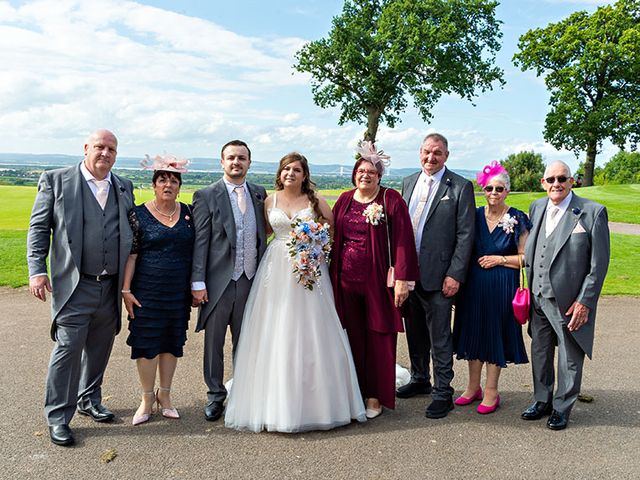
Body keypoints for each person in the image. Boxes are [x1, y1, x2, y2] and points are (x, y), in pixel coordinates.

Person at [225, 152, 366, 432]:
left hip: (309, 270)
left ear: (304, 175)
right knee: (275, 328)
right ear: (280, 173)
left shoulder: (316, 201)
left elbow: (332, 230)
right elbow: (264, 231)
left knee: (312, 329)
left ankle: (319, 402)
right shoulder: (269, 201)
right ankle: (273, 402)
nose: (291, 173)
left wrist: (314, 246)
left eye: (297, 170)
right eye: (286, 169)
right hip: (275, 269)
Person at [27, 129, 135, 446]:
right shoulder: (56, 180)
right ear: (86, 148)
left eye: (112, 149)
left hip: (110, 286)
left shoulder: (123, 186)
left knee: (101, 347)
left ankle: (89, 400)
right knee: (68, 350)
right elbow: (38, 229)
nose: (105, 153)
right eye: (99, 147)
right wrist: (36, 270)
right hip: (75, 285)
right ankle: (59, 417)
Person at [330, 142, 418, 418]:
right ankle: (354, 391)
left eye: (371, 171)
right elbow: (332, 236)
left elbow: (404, 240)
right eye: (360, 170)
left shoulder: (390, 200)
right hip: (345, 282)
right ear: (354, 174)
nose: (365, 175)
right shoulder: (344, 199)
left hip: (379, 283)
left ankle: (375, 396)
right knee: (352, 337)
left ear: (379, 176)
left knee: (379, 337)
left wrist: (403, 279)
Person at [521, 160, 610, 430]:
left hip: (569, 301)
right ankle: (542, 400)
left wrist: (584, 301)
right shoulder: (536, 207)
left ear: (572, 181)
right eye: (551, 180)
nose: (556, 184)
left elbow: (598, 264)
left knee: (570, 355)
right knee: (540, 350)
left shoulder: (591, 212)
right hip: (538, 296)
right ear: (543, 183)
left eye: (562, 179)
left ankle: (562, 407)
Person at [399, 132, 475, 419]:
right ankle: (420, 379)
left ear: (446, 155)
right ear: (420, 153)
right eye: (427, 152)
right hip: (410, 276)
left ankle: (443, 392)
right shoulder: (408, 182)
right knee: (415, 333)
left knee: (440, 337)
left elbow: (466, 235)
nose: (431, 157)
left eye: (438, 153)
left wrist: (455, 273)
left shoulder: (459, 186)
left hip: (441, 276)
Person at [191, 140, 268, 422]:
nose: (237, 162)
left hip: (250, 279)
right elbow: (200, 241)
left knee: (245, 340)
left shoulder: (259, 194)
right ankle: (215, 395)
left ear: (250, 162)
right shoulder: (206, 195)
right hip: (217, 282)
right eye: (231, 158)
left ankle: (242, 391)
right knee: (214, 343)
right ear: (222, 162)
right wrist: (197, 281)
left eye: (242, 158)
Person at [452, 162, 530, 414]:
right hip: (474, 286)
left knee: (493, 334)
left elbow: (524, 258)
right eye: (489, 188)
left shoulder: (517, 218)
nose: (494, 193)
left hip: (502, 285)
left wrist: (500, 260)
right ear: (482, 190)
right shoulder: (473, 215)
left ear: (507, 191)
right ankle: (472, 387)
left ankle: (491, 391)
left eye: (499, 188)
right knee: (474, 333)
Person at [121, 155, 194, 425]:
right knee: (146, 344)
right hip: (146, 290)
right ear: (154, 184)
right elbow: (132, 254)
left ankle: (166, 395)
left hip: (177, 291)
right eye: (163, 179)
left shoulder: (188, 213)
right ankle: (146, 398)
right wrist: (126, 290)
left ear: (179, 186)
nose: (168, 184)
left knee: (172, 342)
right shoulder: (138, 214)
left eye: (174, 180)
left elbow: (197, 252)